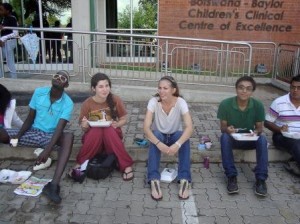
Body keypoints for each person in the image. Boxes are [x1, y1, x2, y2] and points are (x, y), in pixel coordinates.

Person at [1, 70, 74, 204]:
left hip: (51, 136)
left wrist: (47, 150)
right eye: (56, 76)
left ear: (66, 85)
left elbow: (59, 129)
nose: (58, 78)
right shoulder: (39, 92)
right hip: (33, 132)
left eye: (63, 78)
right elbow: (30, 118)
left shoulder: (68, 103)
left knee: (69, 136)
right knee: (3, 133)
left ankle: (53, 185)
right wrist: (18, 135)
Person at [70, 72, 134, 181]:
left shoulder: (115, 99)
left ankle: (126, 165)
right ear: (93, 88)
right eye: (100, 86)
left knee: (108, 129)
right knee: (96, 130)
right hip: (94, 140)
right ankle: (80, 163)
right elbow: (84, 128)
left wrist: (117, 124)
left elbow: (124, 119)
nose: (105, 89)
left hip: (112, 138)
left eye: (107, 86)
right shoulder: (87, 103)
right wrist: (84, 125)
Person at [217, 76, 268, 197]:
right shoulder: (225, 104)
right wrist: (228, 130)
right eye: (241, 88)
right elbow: (223, 128)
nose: (244, 91)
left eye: (248, 89)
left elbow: (260, 128)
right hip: (233, 139)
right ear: (236, 89)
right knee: (224, 137)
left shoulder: (258, 105)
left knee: (262, 139)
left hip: (250, 139)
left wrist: (256, 132)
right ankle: (231, 176)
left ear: (252, 91)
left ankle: (261, 179)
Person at [143, 76, 193, 200]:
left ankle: (184, 179)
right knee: (155, 135)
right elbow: (146, 128)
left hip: (174, 135)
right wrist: (159, 143)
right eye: (160, 88)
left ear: (173, 90)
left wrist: (178, 144)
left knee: (184, 137)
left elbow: (189, 127)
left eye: (165, 88)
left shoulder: (180, 102)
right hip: (159, 136)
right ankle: (154, 179)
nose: (161, 91)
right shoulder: (153, 101)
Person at [265, 74, 300, 177]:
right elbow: (266, 122)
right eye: (293, 87)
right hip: (281, 136)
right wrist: (279, 129)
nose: (295, 90)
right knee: (296, 144)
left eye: (299, 88)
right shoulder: (279, 102)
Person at [0, 3, 18, 78]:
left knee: (10, 62)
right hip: (3, 42)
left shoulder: (12, 18)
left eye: (1, 10)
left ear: (7, 11)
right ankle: (1, 77)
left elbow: (15, 33)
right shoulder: (4, 19)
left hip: (9, 42)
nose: (0, 11)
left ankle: (14, 79)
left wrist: (3, 38)